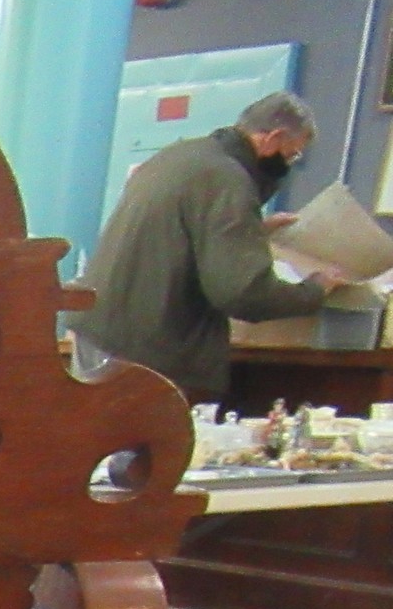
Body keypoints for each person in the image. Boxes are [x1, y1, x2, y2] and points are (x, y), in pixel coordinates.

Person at [74, 91, 346, 402]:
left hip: (101, 327)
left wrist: (250, 230)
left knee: (93, 442)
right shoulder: (229, 180)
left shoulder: (181, 155)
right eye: (292, 154)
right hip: (147, 346)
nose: (288, 164)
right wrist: (315, 289)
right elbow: (243, 293)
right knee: (138, 446)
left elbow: (176, 234)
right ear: (274, 137)